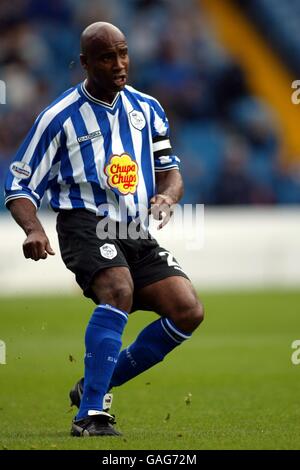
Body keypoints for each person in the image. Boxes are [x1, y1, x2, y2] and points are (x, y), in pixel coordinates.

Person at [4, 22, 204, 437]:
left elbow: (171, 172)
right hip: (84, 223)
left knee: (187, 310)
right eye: (107, 57)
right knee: (118, 290)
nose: (119, 64)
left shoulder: (147, 109)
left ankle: (95, 385)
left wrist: (167, 197)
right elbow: (21, 184)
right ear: (85, 63)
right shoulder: (58, 118)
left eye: (123, 53)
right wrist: (32, 229)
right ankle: (90, 416)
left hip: (134, 228)